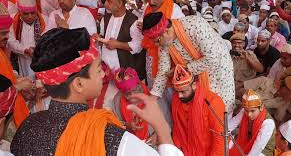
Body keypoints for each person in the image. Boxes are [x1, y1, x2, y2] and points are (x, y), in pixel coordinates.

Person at [10, 27, 184, 156]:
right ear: (78, 84)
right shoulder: (109, 137)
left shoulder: (27, 127)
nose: (103, 73)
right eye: (97, 69)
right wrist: (161, 126)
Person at [142, 12, 235, 111]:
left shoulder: (195, 25)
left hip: (218, 69)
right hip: (196, 74)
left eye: (157, 40)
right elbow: (163, 71)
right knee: (202, 109)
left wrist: (184, 69)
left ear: (166, 31)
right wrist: (154, 96)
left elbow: (213, 58)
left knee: (219, 107)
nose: (156, 44)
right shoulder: (164, 43)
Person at [171, 64, 225, 156]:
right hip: (185, 151)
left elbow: (219, 137)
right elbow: (177, 128)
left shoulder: (212, 102)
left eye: (183, 91)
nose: (179, 96)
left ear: (194, 85)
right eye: (177, 91)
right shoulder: (176, 99)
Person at [97, 0, 146, 80]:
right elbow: (103, 35)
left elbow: (138, 46)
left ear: (119, 3)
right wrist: (99, 38)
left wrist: (117, 44)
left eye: (109, 1)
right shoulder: (105, 19)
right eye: (105, 0)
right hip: (106, 70)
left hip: (124, 74)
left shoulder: (134, 21)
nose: (105, 4)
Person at [0, 2, 33, 128]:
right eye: (2, 33)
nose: (7, 37)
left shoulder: (1, 50)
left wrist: (18, 79)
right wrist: (17, 87)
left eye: (7, 32)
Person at [7, 0, 47, 78]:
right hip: (22, 59)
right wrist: (24, 50)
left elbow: (48, 39)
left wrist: (38, 50)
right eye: (26, 14)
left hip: (42, 58)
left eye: (33, 13)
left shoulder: (44, 19)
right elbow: (10, 41)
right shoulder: (12, 21)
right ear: (20, 11)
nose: (30, 16)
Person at [228, 89, 276, 156]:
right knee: (226, 144)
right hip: (246, 142)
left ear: (261, 107)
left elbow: (258, 147)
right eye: (246, 110)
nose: (249, 114)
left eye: (253, 111)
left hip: (262, 150)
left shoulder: (268, 123)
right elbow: (230, 125)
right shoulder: (244, 111)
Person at [110, 67, 150, 140]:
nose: (132, 95)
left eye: (135, 90)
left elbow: (166, 122)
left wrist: (157, 136)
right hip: (132, 142)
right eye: (128, 93)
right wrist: (127, 126)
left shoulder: (152, 95)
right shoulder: (117, 101)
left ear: (139, 84)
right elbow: (116, 125)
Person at [230, 33, 263, 98]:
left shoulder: (250, 54)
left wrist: (247, 58)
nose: (236, 45)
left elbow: (260, 69)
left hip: (246, 86)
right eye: (234, 43)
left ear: (244, 44)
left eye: (239, 43)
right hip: (232, 85)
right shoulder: (229, 55)